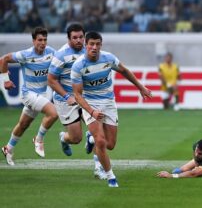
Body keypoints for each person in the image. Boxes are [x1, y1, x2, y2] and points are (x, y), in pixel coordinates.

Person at [71, 31, 152, 187]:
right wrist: (91, 111)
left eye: (98, 44)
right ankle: (111, 177)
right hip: (91, 104)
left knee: (110, 144)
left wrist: (140, 87)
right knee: (101, 142)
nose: (94, 47)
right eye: (91, 44)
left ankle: (91, 138)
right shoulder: (78, 66)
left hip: (109, 102)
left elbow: (124, 71)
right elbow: (77, 95)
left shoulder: (108, 58)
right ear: (86, 45)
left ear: (101, 45)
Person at [48, 23, 105, 179]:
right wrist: (67, 96)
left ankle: (99, 168)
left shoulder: (89, 51)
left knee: (98, 133)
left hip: (86, 97)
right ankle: (64, 138)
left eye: (81, 37)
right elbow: (51, 80)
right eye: (75, 38)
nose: (79, 40)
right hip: (65, 99)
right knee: (76, 138)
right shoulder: (61, 55)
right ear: (68, 39)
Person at [0, 27, 58, 166]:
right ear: (33, 41)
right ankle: (38, 139)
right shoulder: (25, 54)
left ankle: (8, 149)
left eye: (45, 40)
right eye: (39, 40)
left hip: (41, 95)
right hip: (28, 95)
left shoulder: (51, 52)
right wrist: (5, 80)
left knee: (23, 124)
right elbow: (4, 59)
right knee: (53, 113)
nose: (42, 43)